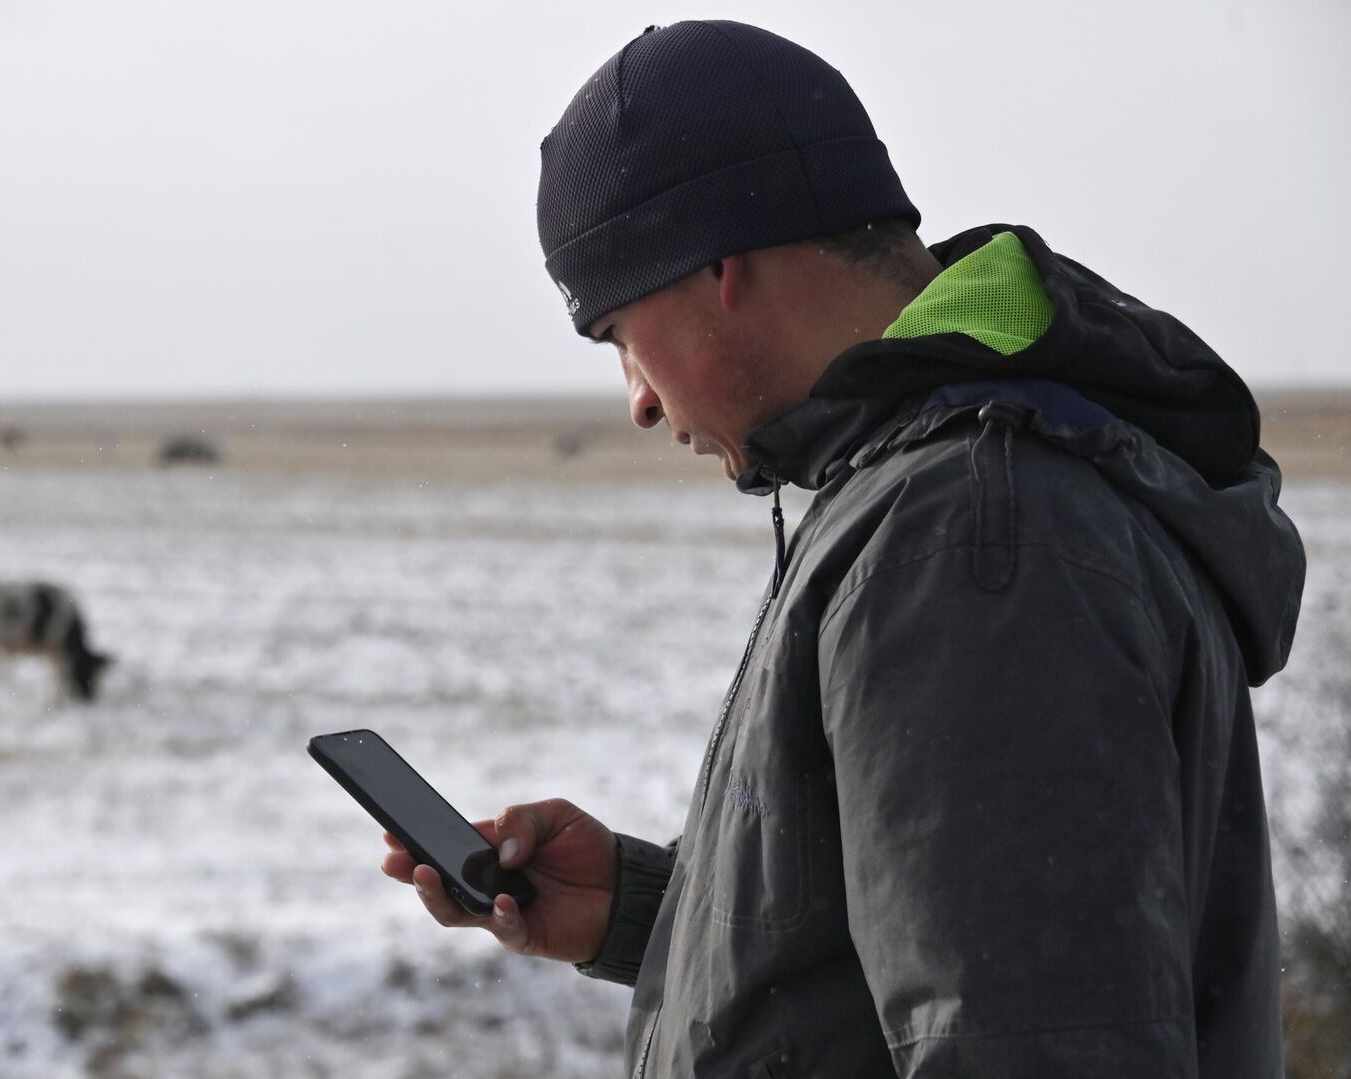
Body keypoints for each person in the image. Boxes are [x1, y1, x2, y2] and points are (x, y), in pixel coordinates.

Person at [379, 20, 1305, 1077]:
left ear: (718, 264)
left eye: (620, 335)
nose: (637, 400)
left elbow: (1025, 1043)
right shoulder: (959, 488)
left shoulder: (968, 536)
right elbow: (944, 962)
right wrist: (642, 915)